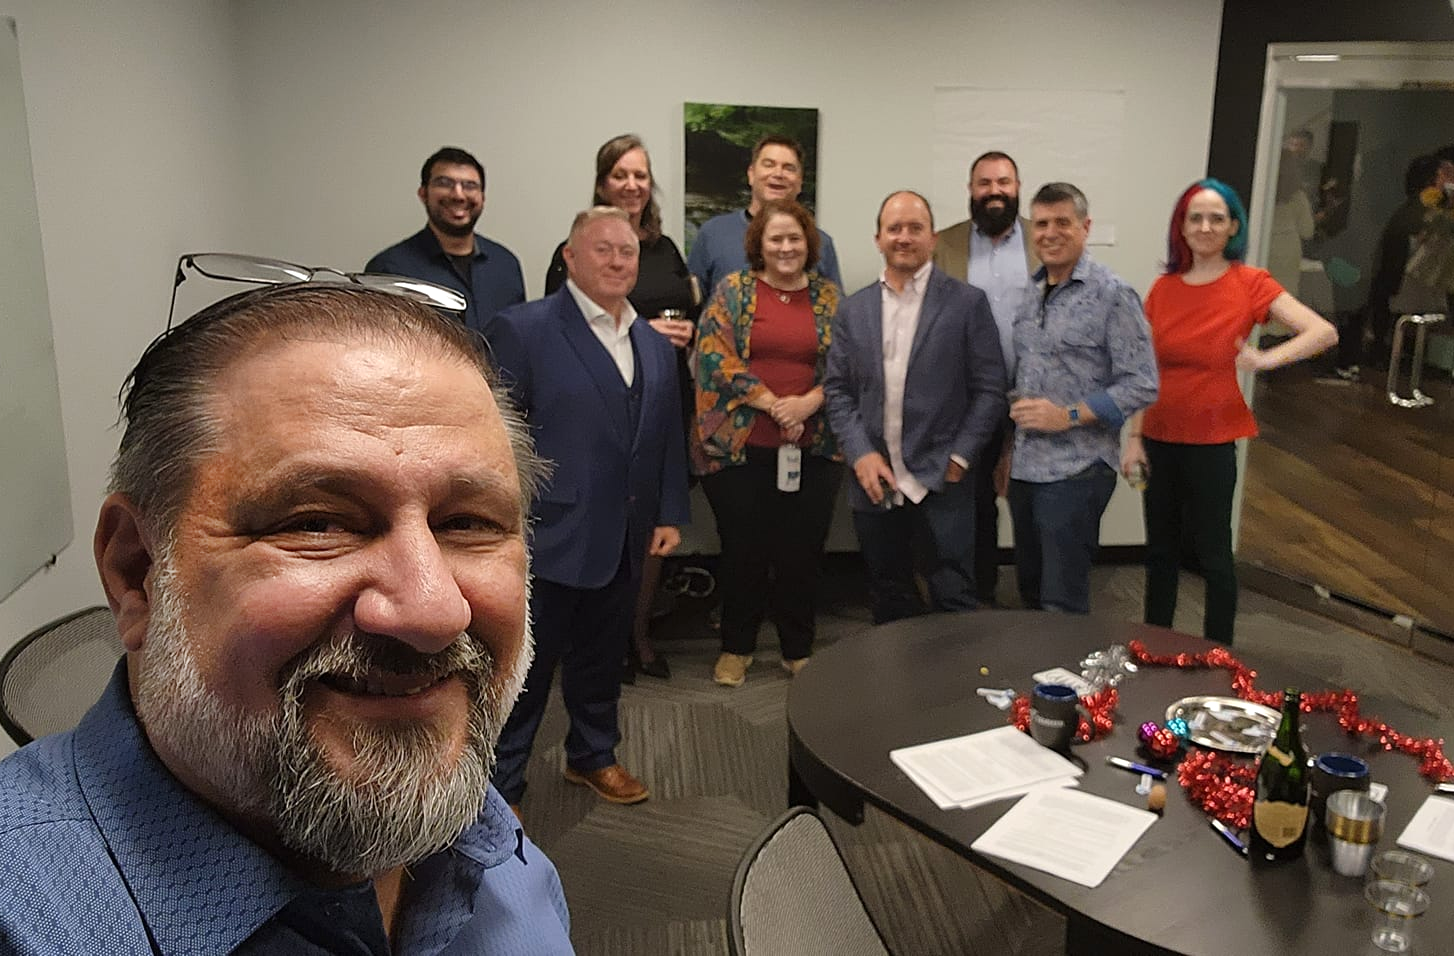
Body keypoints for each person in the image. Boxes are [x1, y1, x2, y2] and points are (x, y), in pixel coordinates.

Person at [0, 282, 572, 953]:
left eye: (468, 523)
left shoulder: (492, 846)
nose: (433, 609)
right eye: (317, 523)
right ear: (137, 574)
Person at [486, 207, 689, 810]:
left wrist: (669, 512)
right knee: (524, 673)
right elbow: (494, 438)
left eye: (628, 251)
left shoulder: (654, 344)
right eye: (603, 249)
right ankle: (502, 787)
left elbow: (666, 436)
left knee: (603, 659)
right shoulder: (523, 329)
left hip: (626, 534)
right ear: (570, 258)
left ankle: (593, 756)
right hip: (547, 535)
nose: (618, 260)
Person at [1123, 179, 1336, 644]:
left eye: (1216, 217)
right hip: (1158, 436)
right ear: (1182, 226)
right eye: (1195, 217)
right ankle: (1155, 646)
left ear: (1233, 226)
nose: (1205, 226)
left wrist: (1264, 360)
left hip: (1213, 440)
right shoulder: (1163, 288)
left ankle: (1219, 656)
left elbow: (1322, 332)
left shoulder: (1250, 283)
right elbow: (1146, 371)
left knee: (1214, 555)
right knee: (1160, 552)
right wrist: (1134, 439)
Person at [543, 134, 696, 682]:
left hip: (658, 397)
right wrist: (637, 334)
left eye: (641, 174)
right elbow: (560, 340)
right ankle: (589, 647)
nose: (632, 184)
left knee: (646, 529)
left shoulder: (666, 248)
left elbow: (690, 312)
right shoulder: (576, 247)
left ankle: (636, 635)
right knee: (595, 532)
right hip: (591, 423)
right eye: (621, 174)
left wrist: (670, 338)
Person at [824, 191, 1007, 624]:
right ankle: (896, 692)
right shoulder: (854, 309)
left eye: (914, 228)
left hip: (943, 477)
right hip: (876, 481)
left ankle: (954, 691)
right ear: (878, 238)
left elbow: (990, 389)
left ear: (932, 237)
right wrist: (860, 455)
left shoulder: (966, 303)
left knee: (954, 596)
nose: (903, 237)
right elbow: (837, 390)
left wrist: (960, 457)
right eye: (894, 229)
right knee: (888, 595)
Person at [693, 199, 842, 687]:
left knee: (802, 552)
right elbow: (712, 355)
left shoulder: (829, 298)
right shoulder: (733, 291)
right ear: (759, 243)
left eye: (794, 238)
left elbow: (847, 365)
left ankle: (798, 648)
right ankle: (737, 647)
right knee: (745, 552)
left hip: (812, 445)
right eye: (775, 238)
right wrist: (772, 402)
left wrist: (807, 404)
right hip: (742, 446)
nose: (785, 247)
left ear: (809, 243)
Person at [1007, 182, 1158, 615]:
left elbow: (1143, 382)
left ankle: (1066, 682)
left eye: (1062, 223)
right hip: (1026, 467)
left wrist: (1068, 415)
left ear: (1085, 227)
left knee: (1062, 602)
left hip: (1078, 468)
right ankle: (1037, 678)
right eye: (1041, 224)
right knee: (1031, 591)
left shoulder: (1113, 295)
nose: (1050, 233)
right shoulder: (1030, 293)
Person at [933, 150, 1041, 605]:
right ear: (970, 191)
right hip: (968, 400)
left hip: (1032, 397)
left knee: (1033, 503)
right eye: (984, 183)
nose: (994, 191)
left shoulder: (1044, 240)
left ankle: (1040, 605)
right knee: (971, 504)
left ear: (1018, 188)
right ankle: (978, 599)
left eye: (1004, 182)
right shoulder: (944, 244)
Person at [366, 146, 526, 335]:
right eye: (445, 183)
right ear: (423, 194)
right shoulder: (388, 269)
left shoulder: (506, 264)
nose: (458, 195)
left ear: (482, 197)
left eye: (470, 185)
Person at [1337, 154, 1453, 379]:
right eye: (1444, 175)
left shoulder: (1419, 210)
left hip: (1403, 282)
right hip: (1403, 282)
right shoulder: (1417, 213)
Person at [688, 135, 843, 299]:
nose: (778, 173)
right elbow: (692, 302)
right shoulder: (713, 233)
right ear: (751, 174)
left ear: (800, 182)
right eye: (769, 165)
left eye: (789, 168)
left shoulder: (821, 242)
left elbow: (838, 314)